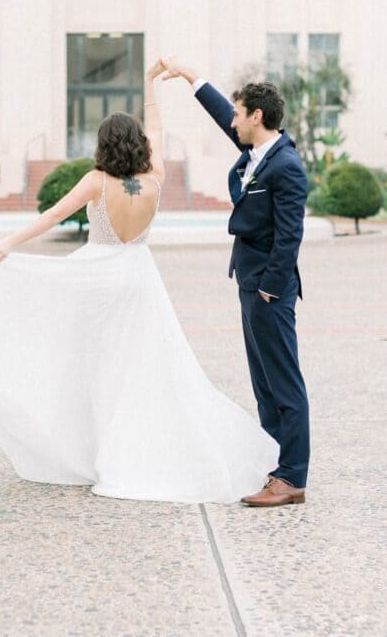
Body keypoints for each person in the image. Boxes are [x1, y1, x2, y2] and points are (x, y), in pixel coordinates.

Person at [0, 61, 278, 504]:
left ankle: (93, 451)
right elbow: (156, 127)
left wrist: (8, 243)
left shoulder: (96, 181)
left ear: (103, 145)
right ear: (138, 146)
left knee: (91, 368)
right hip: (138, 280)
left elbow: (52, 215)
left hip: (96, 279)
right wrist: (149, 84)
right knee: (140, 369)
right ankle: (131, 447)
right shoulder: (155, 178)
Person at [160, 57, 309, 508]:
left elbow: (290, 235)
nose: (233, 120)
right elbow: (222, 112)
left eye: (239, 113)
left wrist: (269, 287)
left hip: (269, 289)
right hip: (249, 281)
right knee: (263, 382)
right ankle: (271, 462)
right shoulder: (258, 151)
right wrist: (192, 78)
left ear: (257, 117)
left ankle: (291, 477)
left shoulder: (286, 166)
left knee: (283, 383)